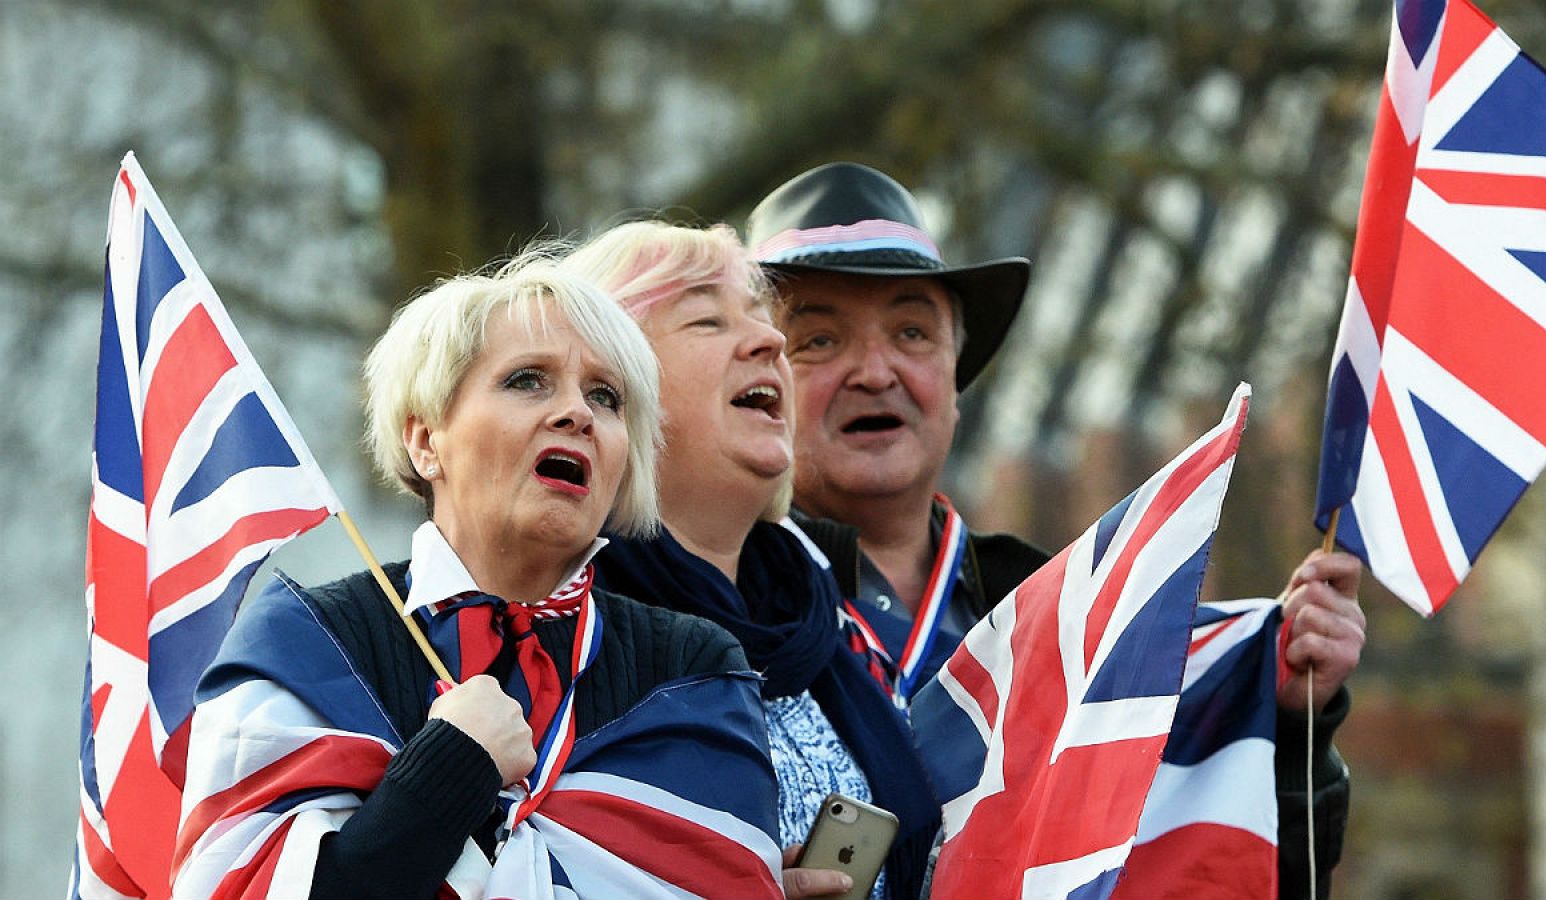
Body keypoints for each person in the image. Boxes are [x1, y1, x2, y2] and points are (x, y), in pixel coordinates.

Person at [748, 161, 1366, 898]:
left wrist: (1294, 723)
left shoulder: (1085, 619)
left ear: (954, 377)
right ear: (757, 385)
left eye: (912, 332)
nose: (875, 371)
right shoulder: (703, 602)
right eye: (819, 341)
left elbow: (1226, 865)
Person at [172, 252, 781, 899]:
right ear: (426, 441)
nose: (577, 412)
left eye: (605, 397)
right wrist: (451, 764)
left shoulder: (696, 670)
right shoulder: (308, 641)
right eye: (528, 381)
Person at [564, 221, 939, 900]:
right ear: (605, 388)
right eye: (708, 321)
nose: (771, 342)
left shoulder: (835, 624)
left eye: (763, 321)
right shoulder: (557, 641)